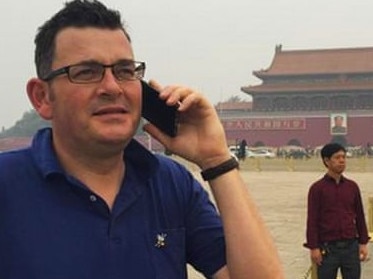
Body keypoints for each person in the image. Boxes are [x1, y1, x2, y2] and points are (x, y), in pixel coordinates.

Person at [0, 1, 284, 278]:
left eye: (125, 71)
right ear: (42, 97)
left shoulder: (171, 183)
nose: (112, 87)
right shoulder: (8, 184)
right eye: (86, 72)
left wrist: (217, 160)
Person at [304, 143, 370, 279]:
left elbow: (360, 216)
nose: (342, 161)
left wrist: (363, 243)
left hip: (351, 248)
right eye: (337, 157)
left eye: (344, 157)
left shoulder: (352, 187)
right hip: (328, 249)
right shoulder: (317, 189)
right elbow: (312, 220)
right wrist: (314, 247)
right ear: (326, 161)